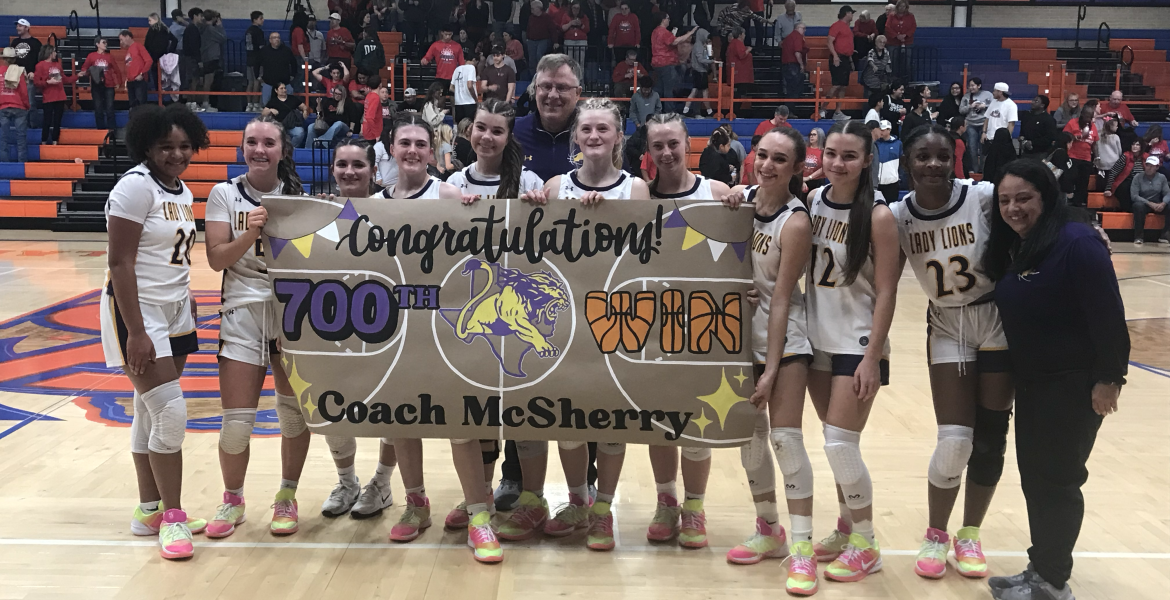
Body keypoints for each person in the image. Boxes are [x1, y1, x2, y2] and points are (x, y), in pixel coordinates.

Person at [501, 98, 650, 552]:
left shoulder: (636, 188)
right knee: (564, 419)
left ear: (618, 136)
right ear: (575, 138)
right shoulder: (555, 184)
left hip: (614, 319)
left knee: (610, 422)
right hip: (562, 322)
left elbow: (645, 257)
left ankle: (604, 508)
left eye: (603, 129)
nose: (594, 137)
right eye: (586, 129)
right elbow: (533, 253)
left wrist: (610, 216)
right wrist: (530, 207)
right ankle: (578, 501)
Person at [984, 159, 1129, 600]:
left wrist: (1110, 379)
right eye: (1005, 200)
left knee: (1058, 481)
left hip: (1072, 385)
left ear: (1046, 196)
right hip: (1035, 383)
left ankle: (1052, 582)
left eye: (1023, 198)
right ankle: (1040, 567)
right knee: (1038, 479)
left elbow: (1109, 317)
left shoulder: (1078, 242)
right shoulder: (1024, 243)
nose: (1013, 208)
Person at [891, 124, 1013, 582]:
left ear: (954, 159)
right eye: (923, 156)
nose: (934, 164)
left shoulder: (982, 196)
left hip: (996, 319)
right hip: (946, 324)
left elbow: (1039, 209)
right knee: (955, 439)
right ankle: (936, 534)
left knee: (991, 438)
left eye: (942, 156)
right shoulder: (899, 215)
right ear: (908, 162)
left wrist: (1085, 229)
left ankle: (970, 534)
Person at [102, 103, 212, 560]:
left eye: (185, 146)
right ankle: (173, 516)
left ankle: (149, 509)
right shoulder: (134, 187)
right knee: (169, 413)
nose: (177, 154)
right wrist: (136, 331)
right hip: (138, 312)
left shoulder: (182, 192)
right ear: (147, 145)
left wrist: (184, 297)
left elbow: (172, 256)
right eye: (167, 146)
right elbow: (119, 262)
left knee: (147, 411)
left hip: (174, 308)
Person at [202, 115, 311, 539]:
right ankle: (233, 500)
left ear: (283, 150)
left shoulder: (297, 196)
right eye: (252, 142)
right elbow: (216, 258)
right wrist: (250, 233)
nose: (259, 150)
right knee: (236, 422)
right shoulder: (222, 194)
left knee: (293, 416)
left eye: (268, 142)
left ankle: (287, 495)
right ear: (241, 148)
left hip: (290, 311)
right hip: (242, 310)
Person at [722, 124, 819, 596]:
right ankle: (768, 530)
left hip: (785, 342)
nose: (768, 165)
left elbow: (781, 299)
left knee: (785, 440)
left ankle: (802, 549)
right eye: (763, 155)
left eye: (781, 159)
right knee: (752, 442)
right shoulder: (741, 204)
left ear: (797, 168)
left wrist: (773, 370)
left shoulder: (795, 222)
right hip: (739, 341)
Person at [805, 120, 899, 585]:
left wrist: (873, 356)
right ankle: (846, 528)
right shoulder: (813, 200)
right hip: (817, 339)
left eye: (849, 156)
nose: (837, 164)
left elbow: (886, 292)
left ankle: (866, 544)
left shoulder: (879, 216)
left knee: (840, 445)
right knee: (838, 441)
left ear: (866, 161)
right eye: (831, 154)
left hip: (857, 344)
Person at [308, 139, 402, 525]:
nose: (349, 172)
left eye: (358, 165)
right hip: (331, 321)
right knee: (331, 404)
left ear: (373, 171)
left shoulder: (391, 211)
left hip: (387, 320)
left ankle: (382, 483)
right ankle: (346, 482)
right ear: (333, 169)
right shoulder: (317, 213)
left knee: (394, 406)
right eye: (342, 164)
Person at [514, 53, 583, 181]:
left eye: (562, 87)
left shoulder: (596, 137)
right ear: (536, 89)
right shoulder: (512, 132)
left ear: (577, 93)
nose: (552, 95)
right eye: (546, 86)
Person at [650, 13, 695, 112]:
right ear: (663, 20)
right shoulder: (663, 32)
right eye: (668, 18)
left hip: (657, 63)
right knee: (668, 89)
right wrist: (690, 33)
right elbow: (675, 41)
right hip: (666, 63)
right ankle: (669, 112)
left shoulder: (655, 31)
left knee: (659, 88)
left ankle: (650, 107)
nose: (669, 20)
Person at [32, 45, 76, 146]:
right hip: (48, 97)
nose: (55, 53)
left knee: (57, 121)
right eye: (54, 52)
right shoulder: (40, 65)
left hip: (60, 96)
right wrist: (48, 82)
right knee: (47, 120)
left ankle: (55, 141)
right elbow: (36, 82)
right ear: (49, 52)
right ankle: (44, 141)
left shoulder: (57, 65)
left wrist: (77, 76)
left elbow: (64, 79)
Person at [79, 37, 123, 132]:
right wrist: (86, 73)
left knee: (110, 107)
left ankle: (111, 130)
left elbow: (116, 70)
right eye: (103, 42)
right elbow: (84, 68)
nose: (105, 44)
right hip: (97, 84)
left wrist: (119, 82)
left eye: (106, 42)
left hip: (109, 84)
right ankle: (101, 130)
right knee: (98, 108)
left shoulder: (109, 56)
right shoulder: (91, 56)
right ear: (97, 44)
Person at [1129, 156, 1170, 246]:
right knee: (1138, 206)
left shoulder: (1162, 177)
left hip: (1158, 203)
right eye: (1148, 165)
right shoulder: (1138, 177)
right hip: (1144, 203)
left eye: (1152, 166)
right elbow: (1134, 196)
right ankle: (1138, 236)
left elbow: (1167, 193)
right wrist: (1149, 203)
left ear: (1157, 167)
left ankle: (1165, 234)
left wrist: (1163, 203)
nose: (1149, 168)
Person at [1062, 106, 1097, 207]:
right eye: (1087, 117)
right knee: (1071, 177)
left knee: (1083, 182)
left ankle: (1078, 204)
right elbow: (1064, 136)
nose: (1088, 120)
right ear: (1082, 115)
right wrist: (1076, 137)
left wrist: (1097, 157)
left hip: (1086, 158)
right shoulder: (1073, 123)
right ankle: (1068, 201)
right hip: (1073, 156)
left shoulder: (1092, 126)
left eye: (1090, 117)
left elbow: (1095, 143)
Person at [306, 84, 360, 149]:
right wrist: (319, 104)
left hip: (343, 127)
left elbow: (353, 117)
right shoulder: (328, 101)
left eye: (339, 94)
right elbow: (319, 114)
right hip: (329, 125)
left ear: (343, 95)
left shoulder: (348, 102)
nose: (337, 96)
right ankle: (308, 149)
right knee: (311, 126)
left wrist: (351, 130)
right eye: (335, 93)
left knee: (338, 123)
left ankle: (322, 140)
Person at [825, 5, 855, 120]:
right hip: (838, 57)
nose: (852, 15)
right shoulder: (837, 25)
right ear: (847, 13)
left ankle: (837, 111)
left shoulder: (847, 27)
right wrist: (835, 56)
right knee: (837, 84)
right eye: (851, 13)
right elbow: (829, 41)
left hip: (846, 58)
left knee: (843, 86)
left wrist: (851, 60)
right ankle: (823, 108)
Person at [10, 18, 41, 124]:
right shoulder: (15, 42)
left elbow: (40, 60)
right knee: (17, 103)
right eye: (17, 26)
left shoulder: (35, 43)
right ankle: (21, 124)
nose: (17, 28)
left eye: (20, 26)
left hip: (29, 77)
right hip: (16, 77)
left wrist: (34, 72)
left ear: (27, 28)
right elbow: (11, 59)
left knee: (30, 102)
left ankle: (33, 124)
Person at [0, 53, 29, 163]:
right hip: (19, 106)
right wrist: (27, 105)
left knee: (3, 138)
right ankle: (22, 164)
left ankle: (4, 166)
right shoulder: (19, 71)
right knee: (21, 138)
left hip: (3, 106)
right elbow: (23, 91)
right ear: (14, 59)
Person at [959, 77, 993, 173]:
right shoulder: (966, 96)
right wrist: (970, 106)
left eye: (973, 85)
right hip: (971, 124)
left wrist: (984, 106)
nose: (971, 88)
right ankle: (975, 170)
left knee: (983, 149)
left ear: (979, 85)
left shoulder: (988, 94)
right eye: (970, 86)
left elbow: (994, 106)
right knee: (972, 148)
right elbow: (961, 110)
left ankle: (983, 170)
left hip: (984, 124)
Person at [261, 82, 308, 148]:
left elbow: (303, 106)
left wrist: (305, 111)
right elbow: (263, 113)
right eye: (281, 88)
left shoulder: (292, 98)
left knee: (300, 133)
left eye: (285, 88)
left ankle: (290, 148)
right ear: (276, 90)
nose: (284, 90)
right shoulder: (273, 101)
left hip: (292, 124)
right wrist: (270, 110)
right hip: (278, 125)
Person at [258, 32, 300, 106]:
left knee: (289, 104)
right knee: (266, 105)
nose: (277, 39)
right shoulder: (264, 51)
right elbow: (257, 64)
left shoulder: (286, 50)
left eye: (278, 38)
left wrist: (293, 75)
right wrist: (258, 76)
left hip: (285, 83)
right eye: (274, 38)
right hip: (268, 83)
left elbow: (293, 63)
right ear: (270, 40)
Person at [145, 13, 178, 102]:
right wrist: (169, 52)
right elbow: (175, 40)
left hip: (154, 57)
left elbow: (147, 44)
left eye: (150, 20)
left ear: (155, 20)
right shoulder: (165, 29)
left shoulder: (152, 30)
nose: (149, 23)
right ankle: (167, 94)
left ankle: (158, 94)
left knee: (156, 76)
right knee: (165, 77)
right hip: (164, 57)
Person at [198, 10, 226, 113]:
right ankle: (205, 102)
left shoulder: (202, 27)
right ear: (214, 18)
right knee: (208, 81)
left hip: (206, 56)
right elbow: (223, 38)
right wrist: (219, 26)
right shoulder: (210, 29)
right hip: (211, 57)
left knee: (207, 81)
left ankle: (205, 102)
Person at [1104, 138, 1144, 207]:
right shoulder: (1126, 156)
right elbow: (1113, 171)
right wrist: (1108, 188)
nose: (1134, 146)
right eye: (1133, 144)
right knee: (1125, 189)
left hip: (1141, 183)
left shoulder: (1145, 157)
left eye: (1137, 145)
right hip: (1126, 181)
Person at [119, 30, 153, 110]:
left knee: (140, 105)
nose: (121, 42)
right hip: (131, 81)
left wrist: (141, 74)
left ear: (127, 36)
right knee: (133, 105)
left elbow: (149, 60)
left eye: (121, 39)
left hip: (139, 81)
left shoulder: (138, 46)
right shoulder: (129, 50)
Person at [685, 27, 714, 117]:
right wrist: (712, 61)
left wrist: (709, 52)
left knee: (695, 91)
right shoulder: (698, 46)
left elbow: (705, 57)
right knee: (704, 92)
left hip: (699, 72)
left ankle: (686, 110)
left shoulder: (700, 45)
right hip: (700, 72)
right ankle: (710, 111)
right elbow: (701, 59)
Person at [526, 2, 559, 78]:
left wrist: (555, 42)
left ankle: (542, 75)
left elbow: (553, 30)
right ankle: (533, 78)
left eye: (533, 8)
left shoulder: (547, 17)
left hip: (543, 40)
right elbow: (528, 28)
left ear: (538, 8)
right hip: (531, 41)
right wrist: (528, 38)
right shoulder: (531, 17)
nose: (531, 10)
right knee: (532, 60)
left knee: (539, 56)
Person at [885, 0, 915, 81]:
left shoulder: (911, 16)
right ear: (897, 7)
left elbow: (913, 27)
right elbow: (888, 27)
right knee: (893, 62)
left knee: (907, 63)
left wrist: (905, 35)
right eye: (900, 6)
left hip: (907, 42)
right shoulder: (891, 16)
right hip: (893, 42)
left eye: (903, 6)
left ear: (906, 7)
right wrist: (896, 35)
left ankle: (906, 81)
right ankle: (893, 81)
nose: (902, 8)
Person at [725, 27, 754, 107]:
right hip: (739, 75)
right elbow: (741, 55)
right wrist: (748, 50)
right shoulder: (737, 43)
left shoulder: (734, 43)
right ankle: (734, 113)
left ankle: (734, 113)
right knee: (738, 95)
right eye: (744, 34)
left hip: (739, 74)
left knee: (739, 95)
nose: (745, 35)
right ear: (740, 35)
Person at [181, 8, 203, 110]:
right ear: (195, 16)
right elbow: (195, 47)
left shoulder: (189, 28)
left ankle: (190, 103)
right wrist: (199, 60)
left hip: (188, 58)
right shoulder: (193, 29)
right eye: (200, 16)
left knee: (191, 80)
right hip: (192, 59)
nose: (201, 18)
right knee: (194, 80)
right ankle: (193, 103)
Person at [244, 12, 266, 111]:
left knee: (250, 82)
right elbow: (262, 47)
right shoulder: (258, 31)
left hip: (249, 58)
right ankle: (256, 104)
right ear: (255, 19)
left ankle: (249, 104)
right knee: (257, 81)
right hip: (257, 59)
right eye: (261, 18)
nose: (263, 20)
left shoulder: (248, 31)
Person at [875, 120, 901, 203]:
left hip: (892, 184)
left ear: (889, 130)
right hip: (877, 184)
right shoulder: (875, 144)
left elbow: (902, 162)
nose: (881, 132)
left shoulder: (898, 144)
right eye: (880, 130)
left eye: (883, 130)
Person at [780, 23, 808, 100]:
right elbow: (797, 52)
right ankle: (792, 107)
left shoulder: (788, 37)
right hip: (793, 65)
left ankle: (790, 107)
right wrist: (801, 64)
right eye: (803, 28)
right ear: (797, 28)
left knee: (790, 88)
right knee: (794, 89)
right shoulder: (797, 37)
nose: (805, 30)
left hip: (786, 65)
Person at [558, 2, 589, 70]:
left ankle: (580, 80)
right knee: (569, 62)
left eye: (578, 8)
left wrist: (581, 24)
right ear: (571, 8)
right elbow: (562, 28)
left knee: (580, 62)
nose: (576, 10)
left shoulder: (584, 17)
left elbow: (587, 29)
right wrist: (570, 23)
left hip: (581, 41)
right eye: (574, 8)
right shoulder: (566, 16)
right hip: (569, 41)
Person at [451, 51, 479, 124]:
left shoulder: (457, 69)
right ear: (474, 60)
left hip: (458, 102)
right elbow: (469, 85)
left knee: (460, 126)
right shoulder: (471, 68)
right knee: (470, 126)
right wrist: (476, 99)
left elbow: (451, 88)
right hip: (469, 102)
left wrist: (459, 92)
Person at [362, 76, 387, 141]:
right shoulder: (375, 97)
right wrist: (377, 134)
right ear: (380, 85)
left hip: (367, 129)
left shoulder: (369, 95)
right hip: (372, 133)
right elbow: (369, 117)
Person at [802, 127, 826, 194]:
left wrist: (809, 177)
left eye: (814, 135)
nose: (811, 136)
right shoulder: (805, 149)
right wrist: (802, 180)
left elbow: (824, 168)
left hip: (817, 181)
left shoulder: (823, 151)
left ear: (820, 136)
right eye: (810, 134)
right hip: (803, 180)